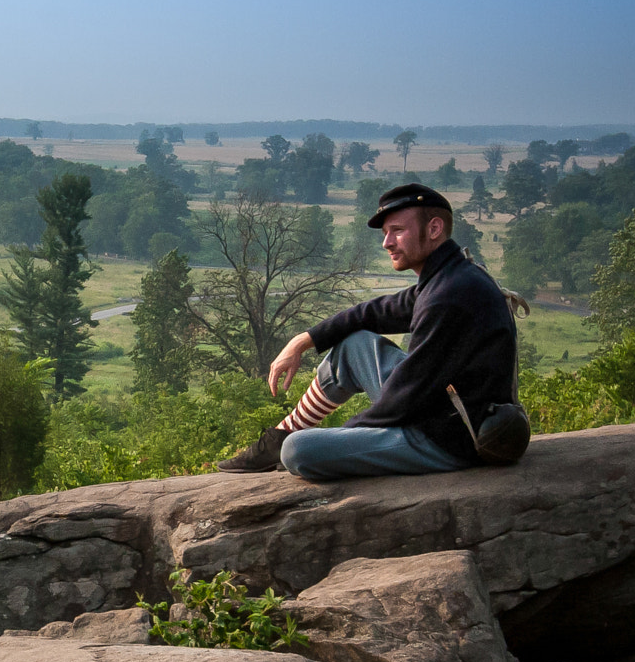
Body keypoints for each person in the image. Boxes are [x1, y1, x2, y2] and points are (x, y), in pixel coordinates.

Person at [217, 182, 518, 480]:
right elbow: (372, 313)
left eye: (397, 231)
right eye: (386, 233)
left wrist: (344, 437)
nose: (387, 242)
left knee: (297, 451)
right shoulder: (451, 276)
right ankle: (281, 435)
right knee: (354, 344)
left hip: (450, 437)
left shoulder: (448, 295)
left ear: (435, 229)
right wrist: (303, 341)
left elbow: (407, 397)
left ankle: (286, 441)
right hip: (438, 406)